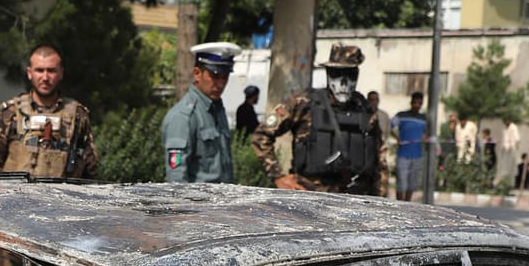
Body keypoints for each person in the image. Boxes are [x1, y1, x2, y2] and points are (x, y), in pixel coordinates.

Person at [0, 44, 98, 266]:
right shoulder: (10, 112)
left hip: (60, 227)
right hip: (13, 224)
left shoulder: (77, 116)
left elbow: (90, 172)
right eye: (40, 70)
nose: (45, 76)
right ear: (29, 73)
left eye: (51, 70)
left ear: (60, 73)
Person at [251, 43, 381, 195]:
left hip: (356, 199)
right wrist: (278, 176)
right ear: (328, 74)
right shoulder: (304, 103)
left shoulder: (365, 110)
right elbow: (261, 136)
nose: (343, 83)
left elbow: (379, 160)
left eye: (350, 74)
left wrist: (380, 201)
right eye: (337, 74)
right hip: (310, 196)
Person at [162, 41, 239, 183]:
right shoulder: (183, 117)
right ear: (197, 74)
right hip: (199, 204)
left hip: (224, 201)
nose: (221, 83)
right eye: (215, 76)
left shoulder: (217, 110)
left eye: (225, 76)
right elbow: (176, 179)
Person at [392, 91, 428, 201]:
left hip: (417, 155)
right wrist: (397, 138)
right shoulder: (401, 115)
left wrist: (425, 137)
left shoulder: (424, 119)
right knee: (401, 182)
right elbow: (389, 126)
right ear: (411, 102)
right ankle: (399, 204)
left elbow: (428, 133)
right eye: (415, 103)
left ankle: (407, 204)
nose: (417, 105)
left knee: (412, 183)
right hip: (403, 154)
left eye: (419, 103)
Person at [367, 90, 393, 195]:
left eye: (376, 99)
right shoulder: (362, 115)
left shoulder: (384, 116)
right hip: (366, 152)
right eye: (371, 100)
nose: (374, 102)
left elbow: (386, 132)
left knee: (382, 177)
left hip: (379, 152)